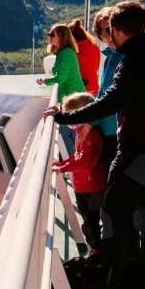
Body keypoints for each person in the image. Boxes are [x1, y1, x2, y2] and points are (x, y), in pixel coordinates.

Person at [42, 1, 145, 289]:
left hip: (137, 153)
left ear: (116, 30)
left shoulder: (131, 61)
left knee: (112, 213)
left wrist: (64, 117)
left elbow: (110, 101)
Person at [52, 92, 105, 257]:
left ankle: (97, 250)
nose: (68, 121)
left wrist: (62, 168)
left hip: (91, 187)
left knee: (91, 221)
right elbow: (77, 156)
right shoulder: (81, 132)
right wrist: (62, 164)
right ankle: (96, 248)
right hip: (83, 185)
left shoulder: (91, 135)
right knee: (88, 220)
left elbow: (85, 161)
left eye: (70, 116)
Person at [36, 23, 87, 154]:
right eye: (49, 34)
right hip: (72, 99)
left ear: (61, 36)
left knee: (64, 134)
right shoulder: (63, 53)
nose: (49, 36)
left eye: (52, 34)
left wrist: (44, 81)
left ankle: (71, 161)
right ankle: (75, 160)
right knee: (71, 134)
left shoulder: (66, 54)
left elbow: (61, 79)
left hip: (72, 101)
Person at [92, 7, 123, 169]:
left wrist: (89, 123)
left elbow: (107, 96)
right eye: (104, 31)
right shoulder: (110, 58)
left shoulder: (123, 58)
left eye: (111, 29)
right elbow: (102, 92)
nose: (109, 35)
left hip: (116, 130)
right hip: (107, 128)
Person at [70, 18, 101, 96]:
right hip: (95, 89)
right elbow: (96, 68)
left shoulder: (73, 53)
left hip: (80, 91)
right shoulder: (95, 47)